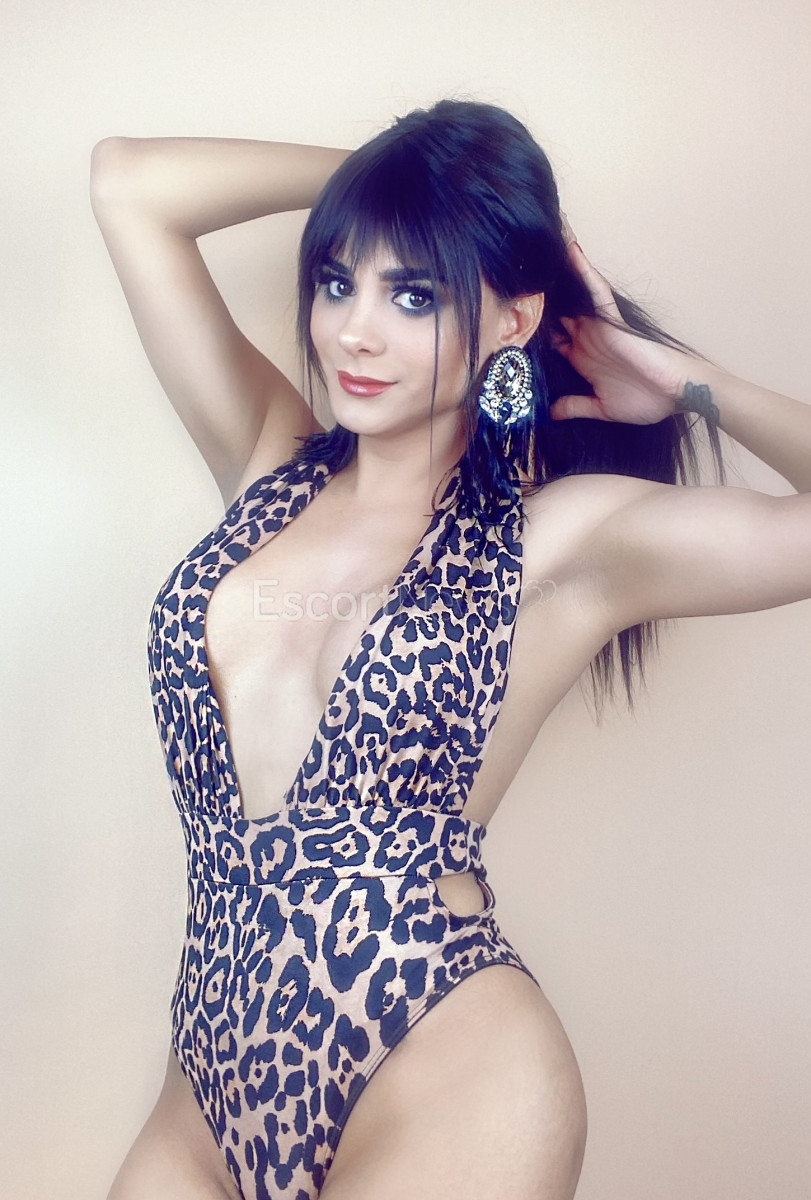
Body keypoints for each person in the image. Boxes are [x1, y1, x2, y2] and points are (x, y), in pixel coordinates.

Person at [90, 99, 811, 1200]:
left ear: (512, 318)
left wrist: (680, 384)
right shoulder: (267, 457)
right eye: (338, 281)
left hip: (442, 1066)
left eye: (415, 294)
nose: (353, 332)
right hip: (205, 1093)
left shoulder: (556, 543)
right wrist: (402, 185)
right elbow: (127, 183)